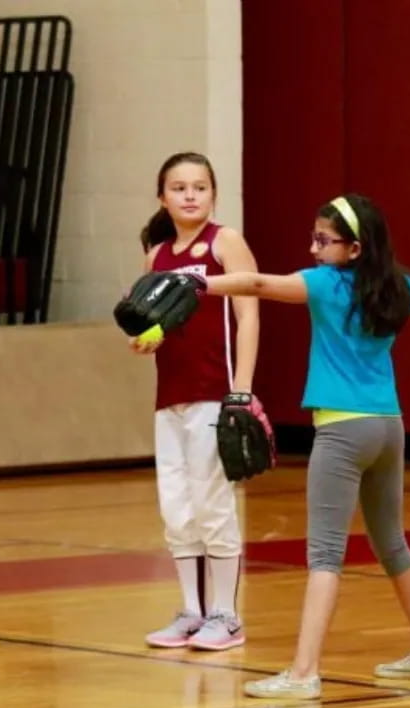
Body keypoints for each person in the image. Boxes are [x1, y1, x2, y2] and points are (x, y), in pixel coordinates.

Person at [195, 193, 410, 699]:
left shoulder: (323, 285)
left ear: (355, 248)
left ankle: (302, 674)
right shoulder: (399, 288)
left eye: (323, 240)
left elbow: (255, 284)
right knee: (393, 544)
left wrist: (198, 281)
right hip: (388, 427)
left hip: (342, 431)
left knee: (324, 554)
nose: (313, 248)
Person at [130, 151, 260, 651]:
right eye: (179, 188)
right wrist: (147, 339)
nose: (190, 195)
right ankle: (191, 610)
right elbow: (157, 326)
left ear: (213, 193)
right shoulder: (156, 255)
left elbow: (248, 315)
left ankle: (226, 616)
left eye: (200, 187)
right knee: (177, 505)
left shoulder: (224, 242)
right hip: (171, 397)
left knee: (213, 503)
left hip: (215, 392)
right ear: (162, 197)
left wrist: (241, 391)